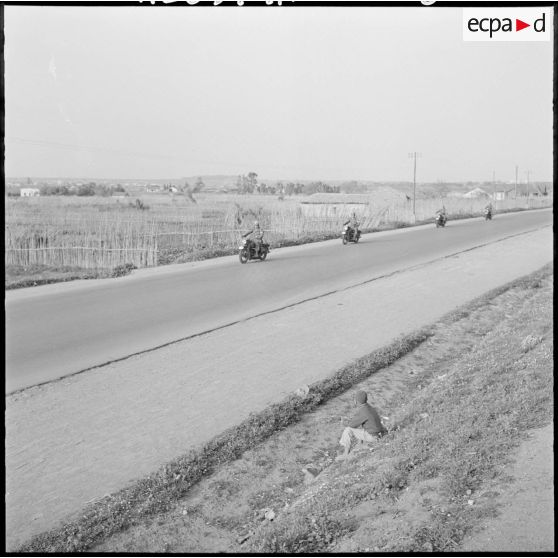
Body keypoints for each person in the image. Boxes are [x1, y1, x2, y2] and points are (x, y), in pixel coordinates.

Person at [337, 390, 387, 459]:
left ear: (357, 401)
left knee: (347, 430)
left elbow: (351, 425)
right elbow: (360, 422)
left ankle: (346, 454)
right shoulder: (369, 407)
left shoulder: (363, 411)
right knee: (362, 424)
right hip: (378, 433)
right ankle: (360, 443)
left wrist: (343, 422)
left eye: (355, 399)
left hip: (373, 437)